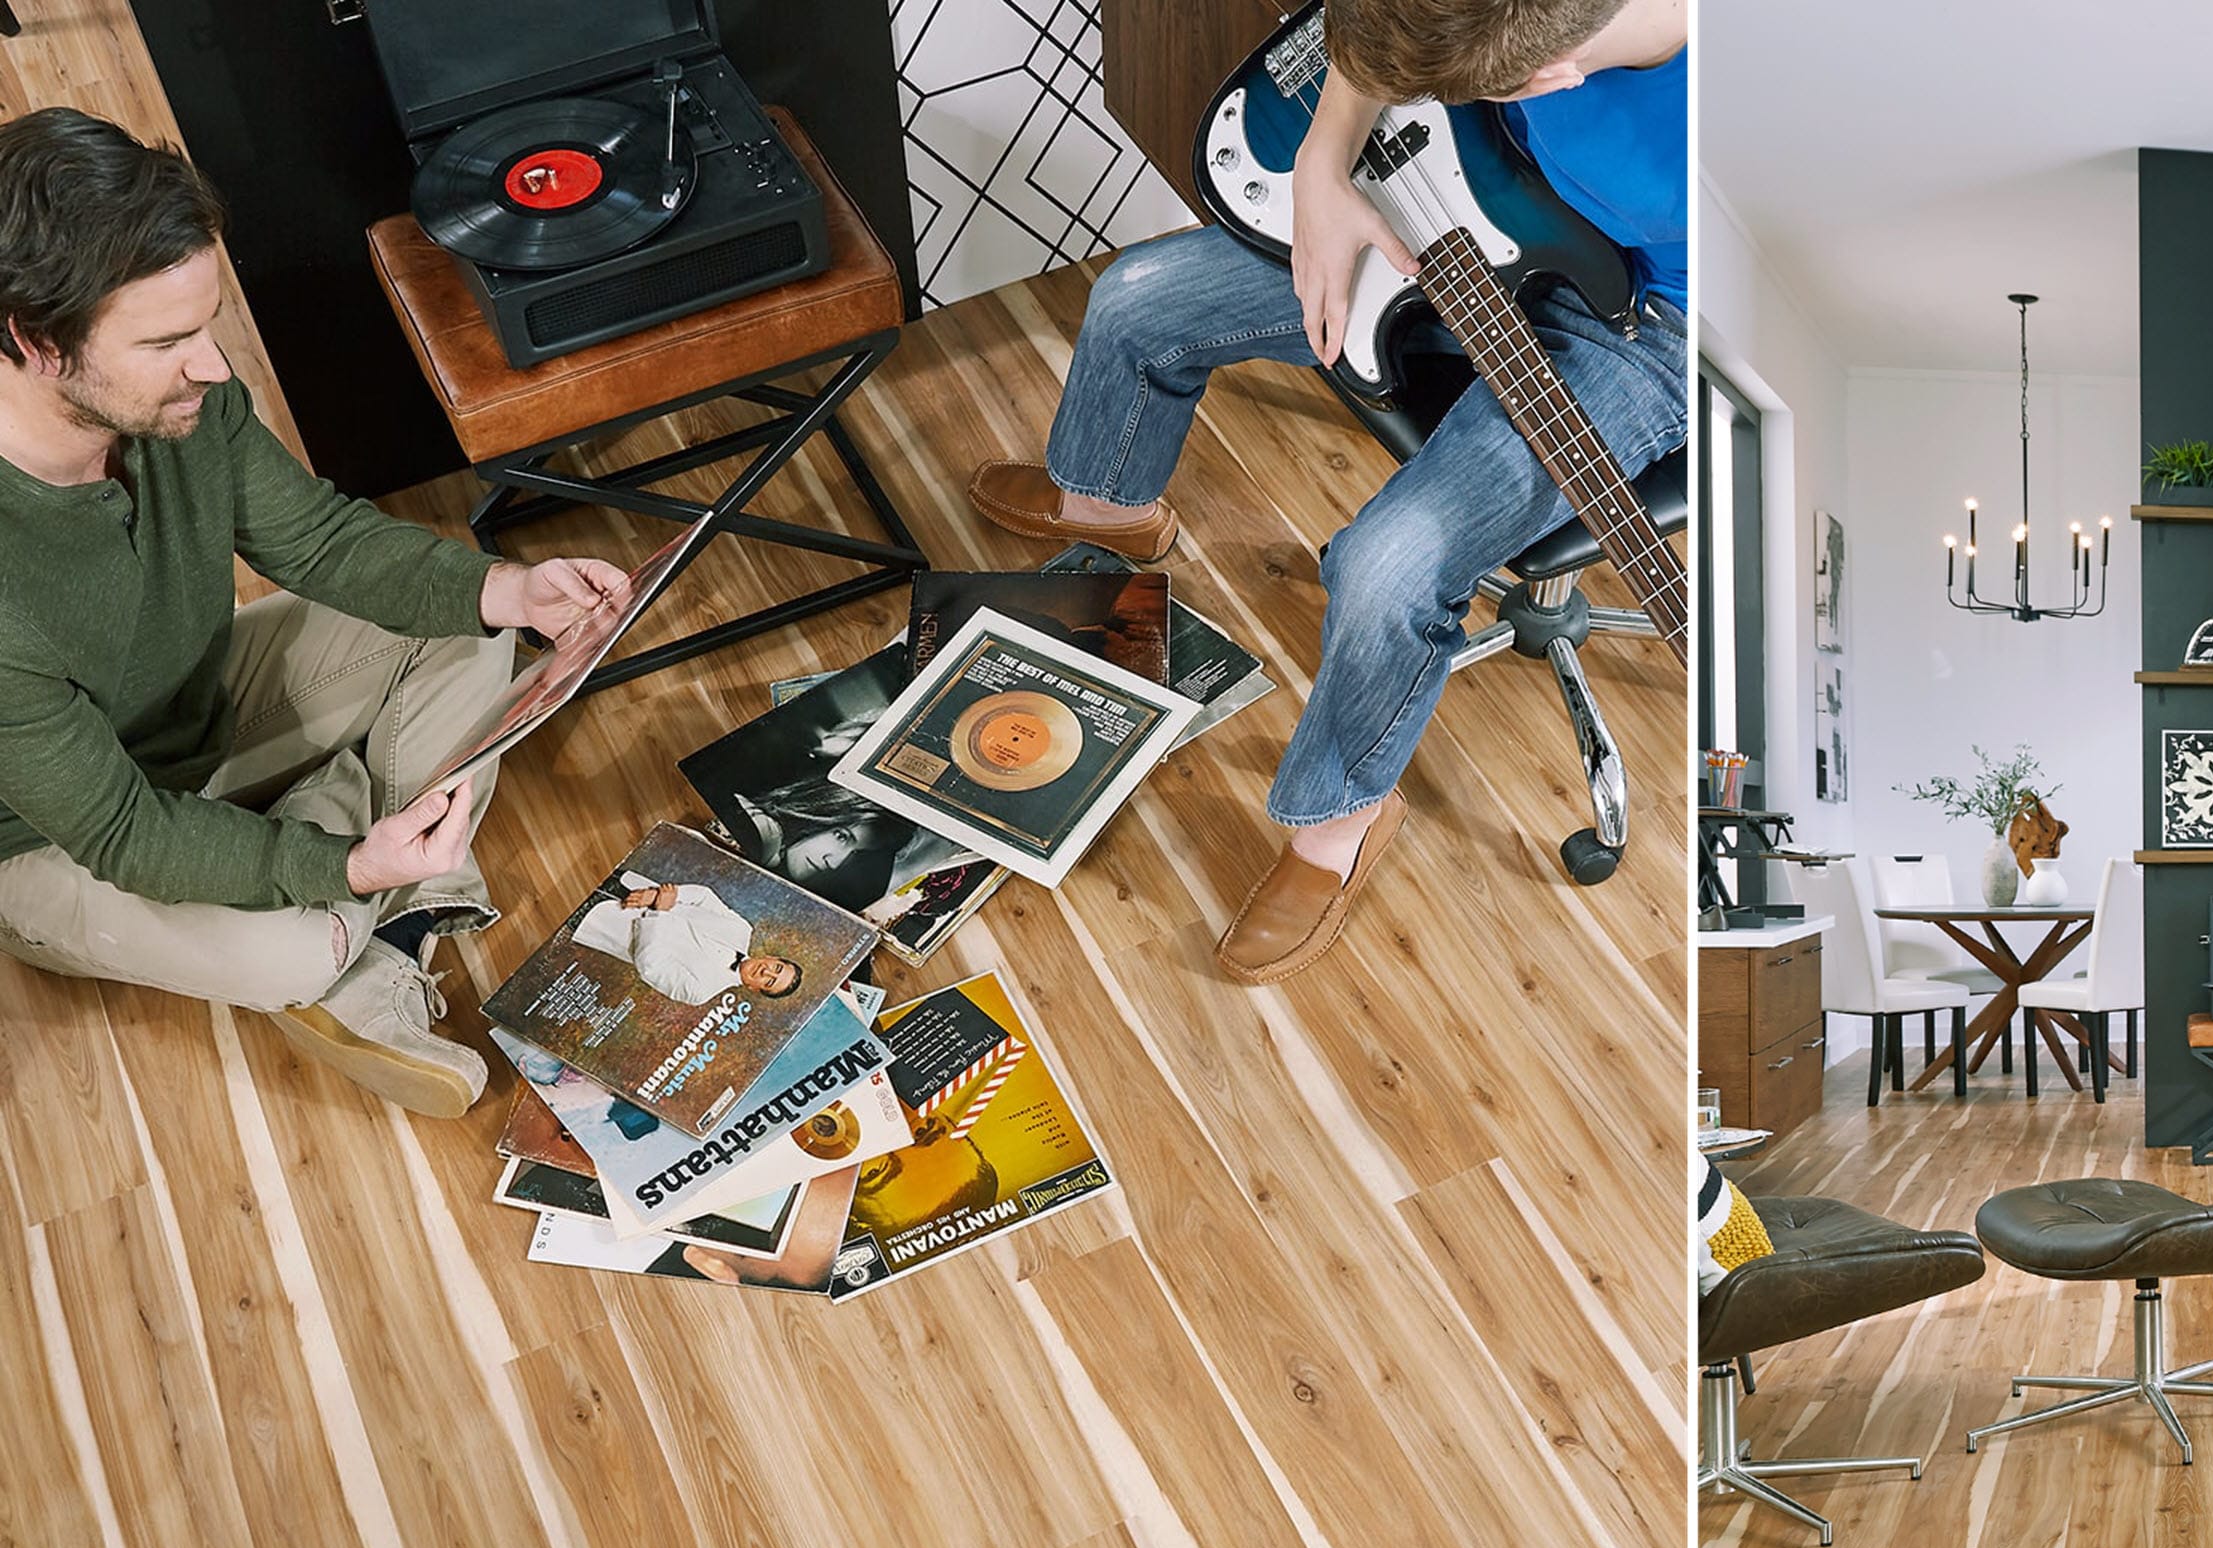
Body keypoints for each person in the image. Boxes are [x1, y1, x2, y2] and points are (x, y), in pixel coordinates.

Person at [970, 0, 1686, 984]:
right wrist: (1323, 159)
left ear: (1554, 76)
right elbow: (1385, 24)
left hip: (1646, 325)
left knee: (1390, 564)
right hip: (1472, 189)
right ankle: (1110, 509)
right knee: (1137, 302)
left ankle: (1338, 818)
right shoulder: (1511, 32)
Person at [0, 108, 627, 1116]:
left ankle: (367, 898)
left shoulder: (167, 394)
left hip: (194, 709)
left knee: (475, 623)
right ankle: (381, 911)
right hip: (54, 841)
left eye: (208, 323)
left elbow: (321, 542)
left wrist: (507, 591)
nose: (211, 364)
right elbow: (119, 827)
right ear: (38, 344)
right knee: (288, 945)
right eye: (168, 340)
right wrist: (337, 858)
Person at [570, 877, 802, 1007]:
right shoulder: (742, 929)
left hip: (600, 918)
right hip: (628, 883)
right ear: (772, 958)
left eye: (769, 981)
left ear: (755, 988)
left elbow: (651, 965)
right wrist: (658, 895)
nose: (767, 971)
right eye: (777, 968)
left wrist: (660, 911)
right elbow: (704, 896)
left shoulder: (700, 992)